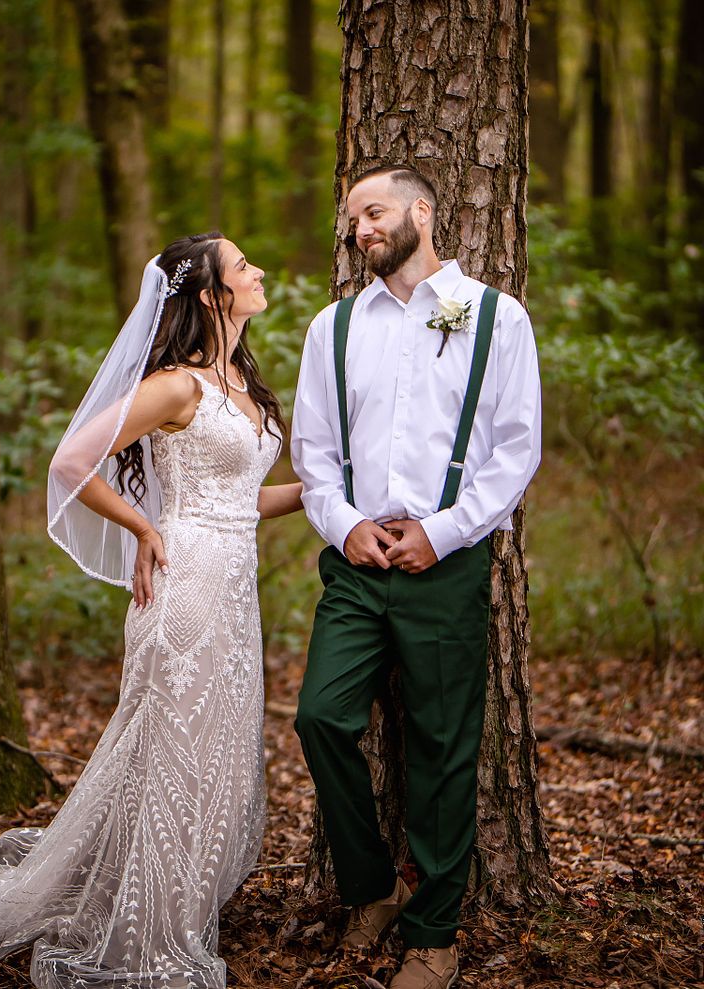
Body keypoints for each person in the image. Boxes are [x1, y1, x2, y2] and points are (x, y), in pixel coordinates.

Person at [0, 233, 304, 988]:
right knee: (169, 751)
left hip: (235, 590)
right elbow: (71, 461)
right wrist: (145, 526)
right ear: (211, 295)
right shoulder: (177, 385)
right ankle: (150, 923)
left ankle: (178, 894)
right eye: (244, 266)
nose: (259, 273)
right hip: (180, 583)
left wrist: (319, 495)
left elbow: (245, 502)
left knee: (213, 751)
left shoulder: (241, 381)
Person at [291, 165, 541, 989]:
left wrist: (443, 532)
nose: (360, 228)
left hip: (446, 562)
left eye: (374, 211)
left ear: (422, 211)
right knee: (322, 717)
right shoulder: (333, 327)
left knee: (442, 746)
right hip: (358, 565)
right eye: (352, 218)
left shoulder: (496, 317)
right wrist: (347, 524)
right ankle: (371, 888)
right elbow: (315, 455)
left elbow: (515, 448)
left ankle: (435, 932)